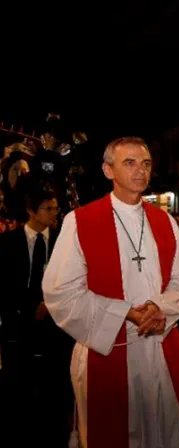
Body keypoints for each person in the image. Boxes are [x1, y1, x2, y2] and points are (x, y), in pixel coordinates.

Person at [42, 137, 179, 448]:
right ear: (107, 170)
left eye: (145, 164)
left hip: (158, 345)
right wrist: (124, 312)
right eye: (129, 163)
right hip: (109, 345)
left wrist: (160, 308)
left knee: (161, 432)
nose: (140, 171)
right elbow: (60, 291)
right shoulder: (81, 221)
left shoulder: (164, 221)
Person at [0, 184, 72, 445]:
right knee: (19, 389)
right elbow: (5, 285)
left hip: (57, 326)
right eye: (48, 208)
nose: (54, 213)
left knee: (56, 391)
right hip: (19, 326)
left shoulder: (64, 243)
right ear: (31, 210)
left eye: (56, 208)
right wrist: (31, 308)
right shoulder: (8, 243)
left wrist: (50, 304)